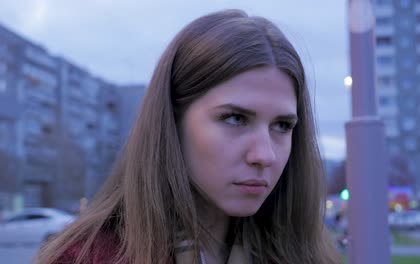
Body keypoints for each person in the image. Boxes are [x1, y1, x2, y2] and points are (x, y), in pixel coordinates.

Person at [36, 9, 340, 264]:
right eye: (234, 118)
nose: (264, 155)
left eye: (282, 126)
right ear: (173, 121)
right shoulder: (88, 257)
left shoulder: (306, 254)